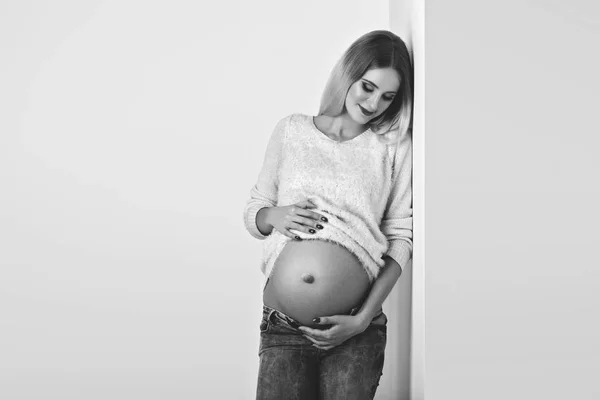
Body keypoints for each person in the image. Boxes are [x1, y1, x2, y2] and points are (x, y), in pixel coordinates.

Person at [243, 29, 413, 400]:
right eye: (367, 87)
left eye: (387, 96)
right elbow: (254, 213)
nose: (373, 103)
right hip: (283, 328)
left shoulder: (392, 148)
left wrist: (363, 318)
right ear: (348, 74)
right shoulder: (292, 130)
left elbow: (401, 238)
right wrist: (276, 215)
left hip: (354, 331)